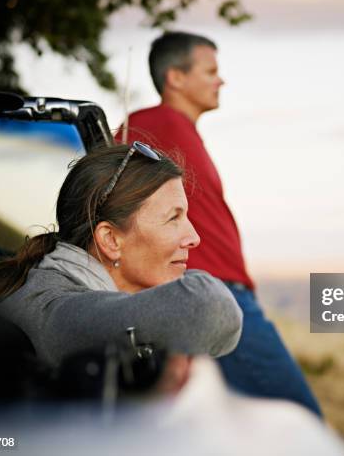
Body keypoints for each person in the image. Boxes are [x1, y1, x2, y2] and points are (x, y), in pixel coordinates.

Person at [117, 31, 322, 416]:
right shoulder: (154, 123)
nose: (221, 80)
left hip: (216, 293)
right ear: (175, 77)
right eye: (210, 71)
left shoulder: (177, 131)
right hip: (209, 293)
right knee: (300, 417)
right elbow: (109, 191)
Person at [0, 143, 243, 367]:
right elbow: (212, 308)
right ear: (110, 240)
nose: (194, 238)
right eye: (173, 218)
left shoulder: (49, 284)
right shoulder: (57, 312)